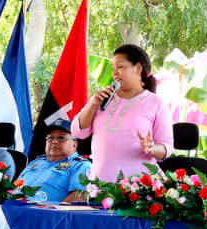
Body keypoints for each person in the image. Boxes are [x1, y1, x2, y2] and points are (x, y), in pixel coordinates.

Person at [72, 44, 173, 181]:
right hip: (99, 185)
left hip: (137, 187)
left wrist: (152, 148)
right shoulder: (102, 99)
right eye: (113, 69)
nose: (114, 73)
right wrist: (93, 104)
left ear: (138, 68)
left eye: (120, 67)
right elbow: (78, 133)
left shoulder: (156, 103)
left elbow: (167, 148)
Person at [20, 120, 93, 203]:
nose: (54, 141)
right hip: (12, 207)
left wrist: (56, 210)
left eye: (61, 138)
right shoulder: (36, 162)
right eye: (50, 138)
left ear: (74, 144)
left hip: (42, 210)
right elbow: (16, 186)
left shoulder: (80, 165)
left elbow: (79, 196)